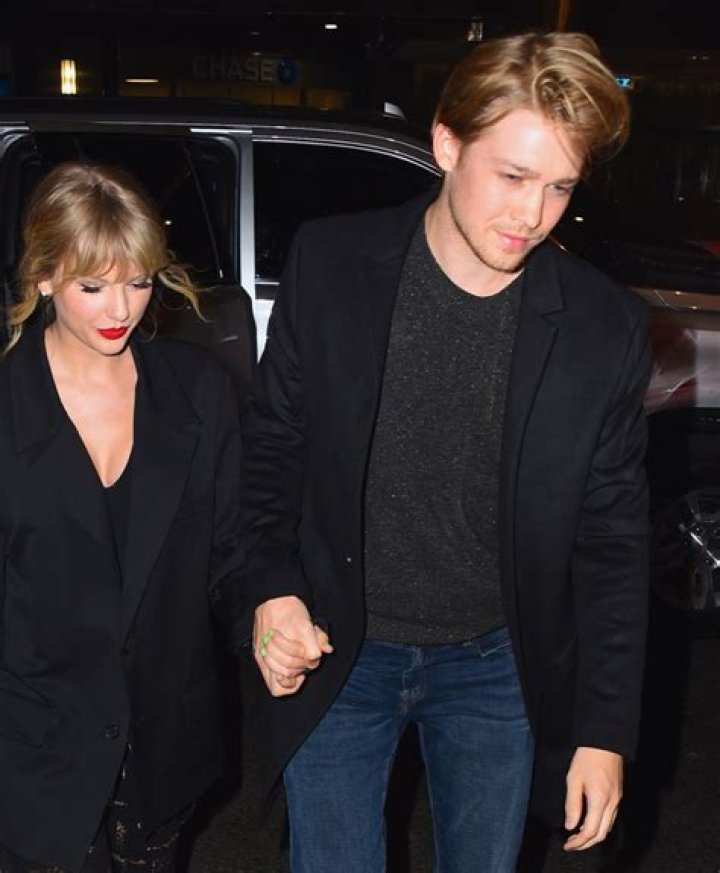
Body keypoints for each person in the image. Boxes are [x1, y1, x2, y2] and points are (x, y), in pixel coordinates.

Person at [239, 30, 651, 873]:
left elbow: (613, 539)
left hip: (496, 660)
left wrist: (603, 731)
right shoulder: (334, 262)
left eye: (560, 187)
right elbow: (273, 446)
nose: (532, 215)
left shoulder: (601, 326)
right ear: (446, 144)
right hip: (340, 647)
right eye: (512, 176)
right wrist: (270, 588)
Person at [0, 160, 245, 872]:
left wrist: (272, 610)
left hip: (162, 755)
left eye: (138, 282)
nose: (121, 309)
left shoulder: (198, 392)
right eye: (93, 286)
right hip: (32, 760)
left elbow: (233, 549)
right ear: (43, 277)